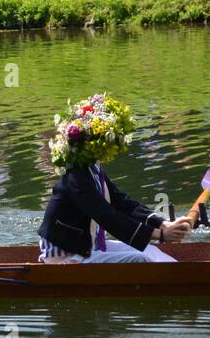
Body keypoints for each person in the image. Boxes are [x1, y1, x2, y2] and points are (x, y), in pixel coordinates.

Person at [38, 93, 194, 264]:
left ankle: (183, 279)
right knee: (140, 259)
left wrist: (163, 225)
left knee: (150, 249)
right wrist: (161, 235)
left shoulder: (92, 169)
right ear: (92, 142)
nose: (113, 147)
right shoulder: (76, 178)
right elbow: (108, 217)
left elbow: (123, 203)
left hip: (89, 246)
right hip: (66, 256)